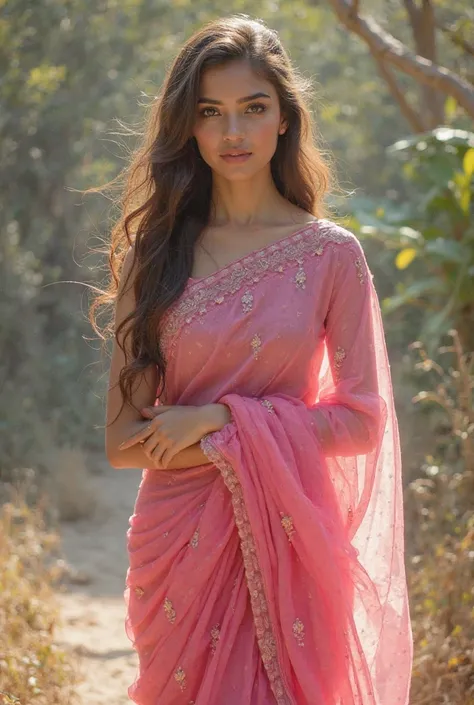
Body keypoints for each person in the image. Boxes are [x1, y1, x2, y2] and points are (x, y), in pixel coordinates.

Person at [96, 14, 413, 705]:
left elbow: (361, 420)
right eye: (212, 112)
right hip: (178, 551)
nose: (233, 133)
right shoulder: (154, 260)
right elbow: (124, 442)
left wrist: (215, 423)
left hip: (291, 543)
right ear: (189, 127)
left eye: (253, 108)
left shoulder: (331, 256)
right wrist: (229, 442)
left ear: (284, 119)